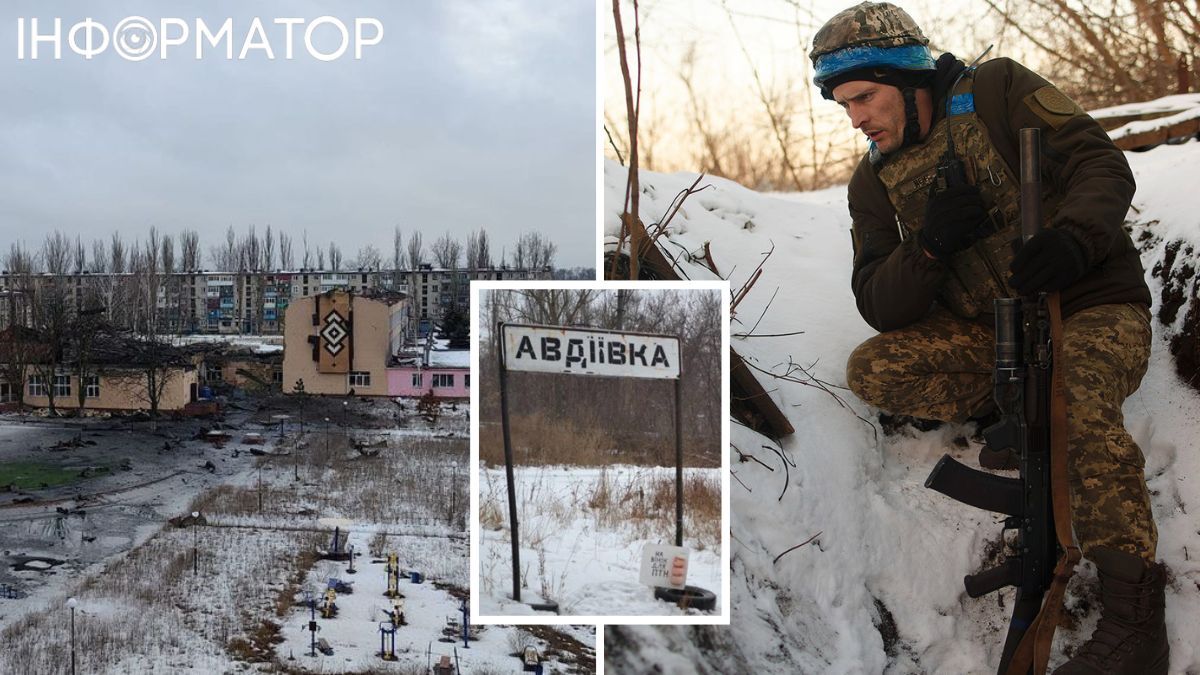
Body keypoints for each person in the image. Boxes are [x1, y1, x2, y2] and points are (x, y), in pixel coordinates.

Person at [810, 3, 1167, 673]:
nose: (855, 117)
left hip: (1087, 307)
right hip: (991, 334)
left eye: (864, 96)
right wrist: (930, 246)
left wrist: (1073, 239)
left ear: (909, 79)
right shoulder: (874, 181)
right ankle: (1008, 401)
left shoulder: (998, 89)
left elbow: (1100, 163)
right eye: (842, 104)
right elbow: (878, 304)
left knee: (1076, 403)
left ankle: (1135, 623)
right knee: (874, 368)